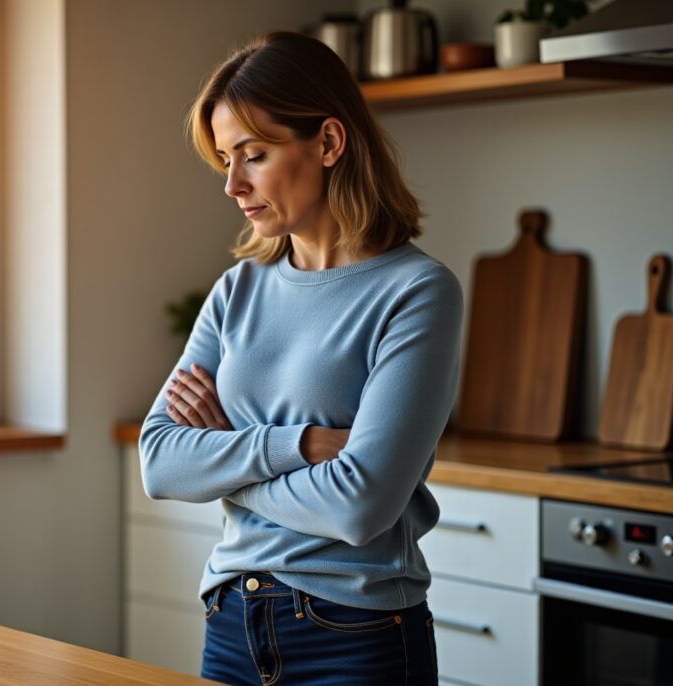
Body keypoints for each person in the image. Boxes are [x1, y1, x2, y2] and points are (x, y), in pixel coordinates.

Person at [137, 31, 463, 686]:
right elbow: (160, 462)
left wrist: (226, 452)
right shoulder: (238, 289)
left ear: (329, 143)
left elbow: (359, 506)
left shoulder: (416, 292)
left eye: (253, 155)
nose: (232, 184)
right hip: (231, 619)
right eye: (226, 159)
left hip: (356, 633)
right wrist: (306, 444)